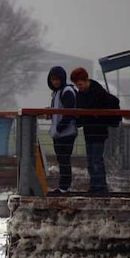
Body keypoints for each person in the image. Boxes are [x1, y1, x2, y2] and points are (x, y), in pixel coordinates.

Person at [69, 67, 110, 193]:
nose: (78, 87)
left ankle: (100, 187)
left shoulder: (97, 92)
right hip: (90, 131)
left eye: (80, 84)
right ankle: (96, 186)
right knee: (92, 160)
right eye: (77, 85)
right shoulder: (84, 93)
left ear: (86, 80)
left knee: (96, 160)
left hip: (98, 131)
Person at [46, 66, 78, 194]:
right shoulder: (58, 93)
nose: (55, 82)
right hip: (59, 133)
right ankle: (63, 186)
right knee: (62, 160)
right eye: (53, 79)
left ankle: (64, 187)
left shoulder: (67, 91)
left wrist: (59, 128)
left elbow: (68, 113)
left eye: (57, 79)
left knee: (64, 159)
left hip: (66, 132)